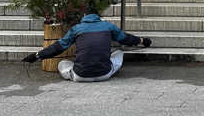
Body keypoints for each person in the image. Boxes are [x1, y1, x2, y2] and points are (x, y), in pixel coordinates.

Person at [21, 6, 151, 82]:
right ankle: (104, 69)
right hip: (104, 75)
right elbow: (125, 39)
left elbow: (58, 47)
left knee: (62, 63)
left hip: (80, 76)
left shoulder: (76, 29)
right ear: (98, 15)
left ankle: (74, 73)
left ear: (84, 15)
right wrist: (142, 41)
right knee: (119, 53)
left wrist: (37, 56)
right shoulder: (108, 26)